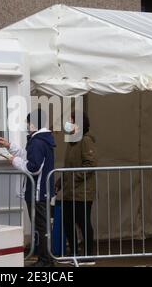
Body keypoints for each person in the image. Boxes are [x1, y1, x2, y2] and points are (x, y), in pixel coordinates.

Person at [0, 109, 55, 267]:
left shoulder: (37, 142)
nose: (26, 126)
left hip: (37, 191)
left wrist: (14, 161)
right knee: (42, 226)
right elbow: (28, 155)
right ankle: (45, 259)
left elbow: (33, 167)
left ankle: (45, 261)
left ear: (34, 124)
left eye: (28, 123)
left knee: (41, 227)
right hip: (42, 191)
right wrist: (11, 147)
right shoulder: (42, 140)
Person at [61, 111, 97, 259]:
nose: (68, 123)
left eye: (71, 120)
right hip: (70, 192)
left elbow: (90, 164)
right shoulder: (71, 142)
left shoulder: (86, 140)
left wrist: (74, 178)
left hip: (82, 192)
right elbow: (68, 166)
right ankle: (74, 252)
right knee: (68, 222)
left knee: (83, 223)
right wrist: (60, 182)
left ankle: (88, 255)